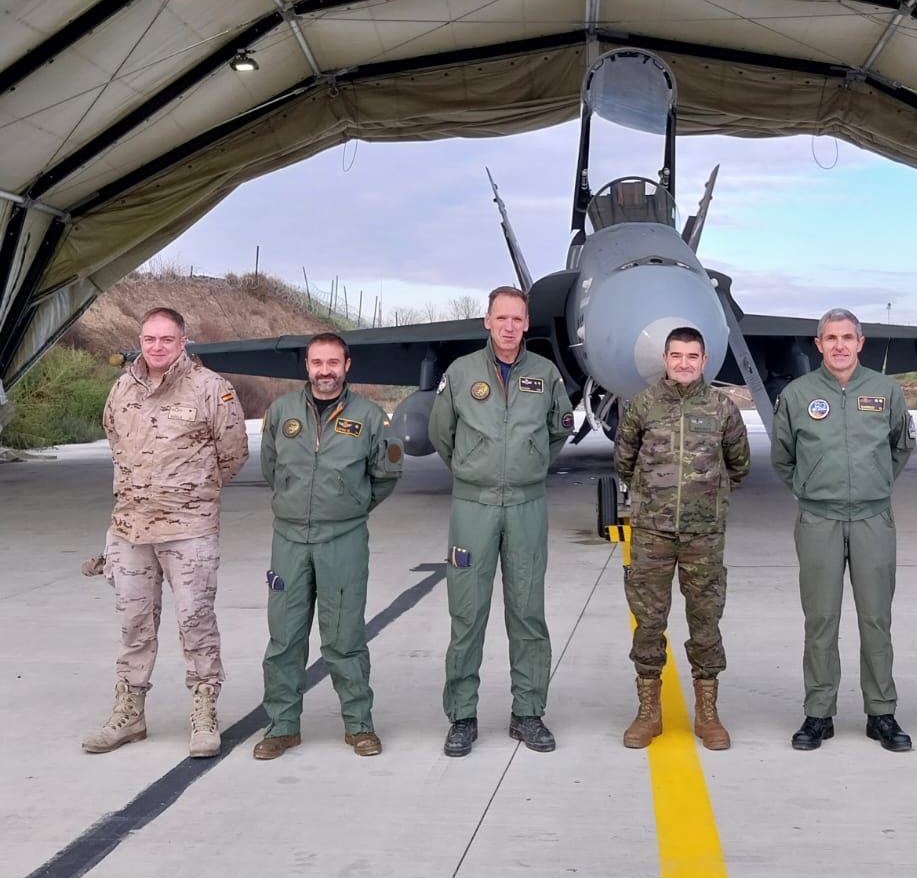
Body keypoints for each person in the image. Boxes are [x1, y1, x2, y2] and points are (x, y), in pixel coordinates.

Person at [84, 306, 248, 757]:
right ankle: (129, 713)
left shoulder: (212, 389)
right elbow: (116, 440)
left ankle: (204, 713)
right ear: (141, 341)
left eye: (166, 339)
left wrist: (190, 492)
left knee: (196, 622)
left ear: (183, 341)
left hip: (188, 529)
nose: (156, 347)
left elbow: (233, 454)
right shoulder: (123, 388)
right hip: (130, 530)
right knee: (133, 625)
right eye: (149, 339)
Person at [429, 286, 573, 757]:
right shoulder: (462, 372)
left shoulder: (546, 375)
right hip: (474, 507)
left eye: (517, 319)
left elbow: (557, 432)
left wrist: (528, 465)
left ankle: (528, 714)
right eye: (501, 318)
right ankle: (462, 717)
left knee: (528, 613)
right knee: (467, 614)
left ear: (527, 324)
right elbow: (441, 434)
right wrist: (477, 469)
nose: (509, 326)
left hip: (528, 506)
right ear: (487, 322)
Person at [770, 307, 915, 753]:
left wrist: (875, 482)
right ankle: (818, 714)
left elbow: (901, 446)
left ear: (860, 342)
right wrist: (811, 486)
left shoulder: (885, 390)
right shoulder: (798, 395)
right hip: (819, 520)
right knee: (821, 619)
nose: (839, 345)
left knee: (876, 618)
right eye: (830, 338)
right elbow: (782, 455)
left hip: (873, 518)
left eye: (847, 337)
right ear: (818, 344)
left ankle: (881, 713)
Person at [253, 333, 402, 760]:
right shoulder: (281, 413)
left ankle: (358, 725)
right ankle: (282, 726)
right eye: (317, 362)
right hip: (289, 539)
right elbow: (270, 466)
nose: (325, 370)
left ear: (347, 366)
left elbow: (387, 474)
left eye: (333, 362)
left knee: (346, 636)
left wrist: (351, 507)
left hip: (344, 540)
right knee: (284, 637)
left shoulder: (371, 416)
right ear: (307, 366)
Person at [614, 327, 751, 750]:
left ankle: (707, 713)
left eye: (693, 356)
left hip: (704, 535)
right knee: (649, 623)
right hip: (653, 533)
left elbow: (739, 464)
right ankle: (648, 712)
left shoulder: (723, 409)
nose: (685, 363)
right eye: (677, 356)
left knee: (706, 623)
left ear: (704, 360)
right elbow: (624, 460)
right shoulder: (642, 407)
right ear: (667, 359)